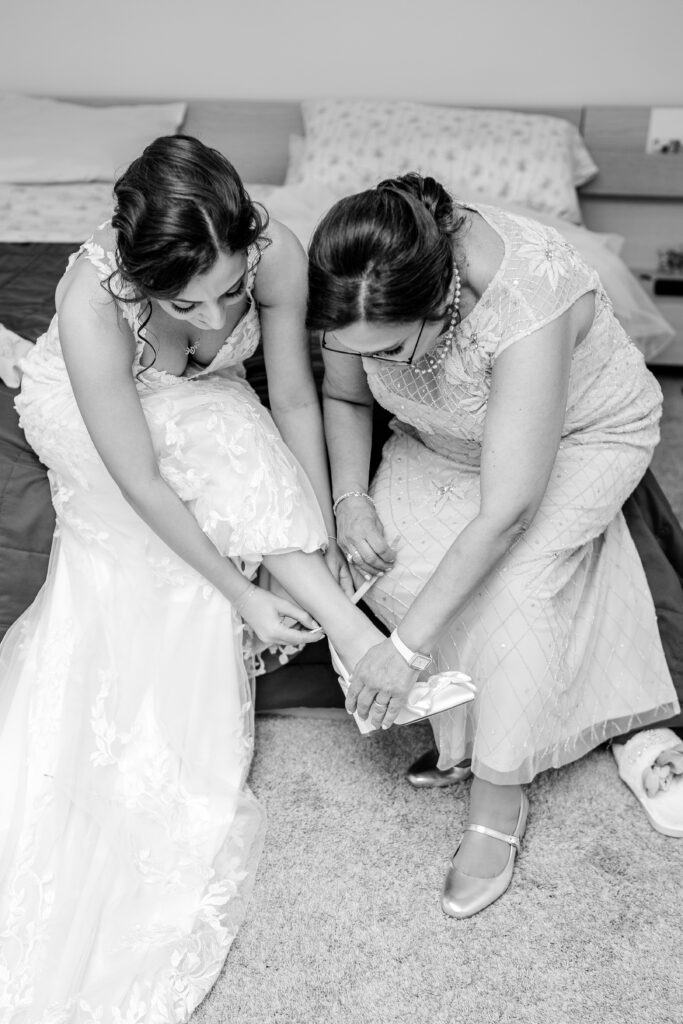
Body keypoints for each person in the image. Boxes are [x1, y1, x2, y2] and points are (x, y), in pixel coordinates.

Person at [0, 136, 386, 1022]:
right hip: (101, 411)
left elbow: (291, 395)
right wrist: (241, 589)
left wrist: (319, 531)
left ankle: (346, 623)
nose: (215, 322)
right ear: (140, 280)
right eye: (185, 301)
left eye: (227, 293)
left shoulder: (275, 250)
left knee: (235, 426)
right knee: (183, 477)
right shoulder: (96, 301)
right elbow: (138, 478)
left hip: (187, 398)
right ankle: (29, 364)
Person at [306, 173, 682, 920]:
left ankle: (498, 797)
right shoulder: (352, 289)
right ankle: (475, 730)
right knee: (388, 568)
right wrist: (349, 503)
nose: (367, 359)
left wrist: (403, 653)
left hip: (583, 434)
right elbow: (346, 397)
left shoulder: (524, 298)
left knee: (515, 589)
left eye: (386, 349)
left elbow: (506, 510)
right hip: (443, 438)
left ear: (438, 303)